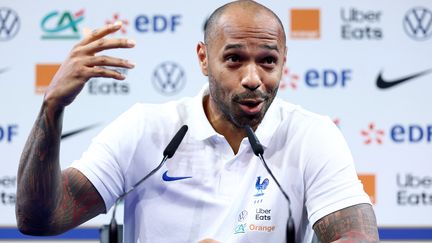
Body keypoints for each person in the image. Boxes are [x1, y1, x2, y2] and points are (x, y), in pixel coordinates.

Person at [16, 1, 379, 242]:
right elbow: (40, 220)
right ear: (203, 59)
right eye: (234, 59)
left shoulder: (310, 135)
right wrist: (52, 107)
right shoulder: (146, 128)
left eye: (268, 61)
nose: (253, 78)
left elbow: (356, 236)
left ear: (283, 61)